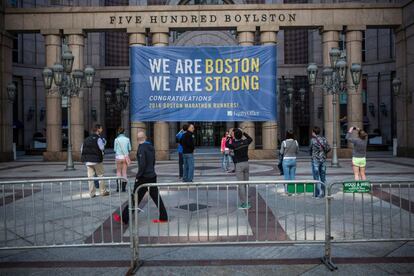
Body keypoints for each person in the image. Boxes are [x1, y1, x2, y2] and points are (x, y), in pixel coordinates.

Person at [115, 131, 168, 224]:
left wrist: (138, 176)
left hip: (143, 177)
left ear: (137, 139)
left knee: (135, 198)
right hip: (152, 175)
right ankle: (164, 217)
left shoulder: (141, 148)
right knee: (155, 197)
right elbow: (153, 161)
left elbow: (142, 164)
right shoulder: (151, 147)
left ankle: (124, 218)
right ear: (146, 137)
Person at [226, 128, 253, 209]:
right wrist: (244, 132)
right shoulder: (245, 142)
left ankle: (244, 204)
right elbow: (250, 139)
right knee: (246, 183)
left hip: (239, 165)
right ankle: (248, 201)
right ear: (241, 135)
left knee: (241, 184)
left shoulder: (235, 144)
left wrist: (230, 136)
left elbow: (227, 144)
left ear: (235, 136)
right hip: (246, 164)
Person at [81, 124, 109, 198]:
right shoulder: (98, 139)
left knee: (90, 177)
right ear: (98, 129)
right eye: (101, 128)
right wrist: (104, 143)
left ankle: (92, 193)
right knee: (100, 175)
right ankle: (102, 191)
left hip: (88, 161)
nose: (102, 129)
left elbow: (82, 149)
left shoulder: (86, 139)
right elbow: (102, 148)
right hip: (97, 160)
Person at [309, 126, 331, 198]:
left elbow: (310, 149)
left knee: (316, 177)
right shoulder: (324, 139)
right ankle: (323, 193)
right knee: (323, 177)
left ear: (314, 132)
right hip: (323, 159)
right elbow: (328, 148)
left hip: (315, 159)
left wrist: (312, 154)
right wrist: (324, 154)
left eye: (312, 131)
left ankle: (317, 193)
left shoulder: (312, 140)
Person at [114, 127, 131, 192]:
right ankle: (123, 188)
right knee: (124, 172)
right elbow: (129, 148)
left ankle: (118, 188)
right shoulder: (127, 139)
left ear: (118, 132)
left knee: (118, 172)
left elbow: (115, 149)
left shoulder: (116, 139)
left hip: (118, 157)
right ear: (124, 132)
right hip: (125, 157)